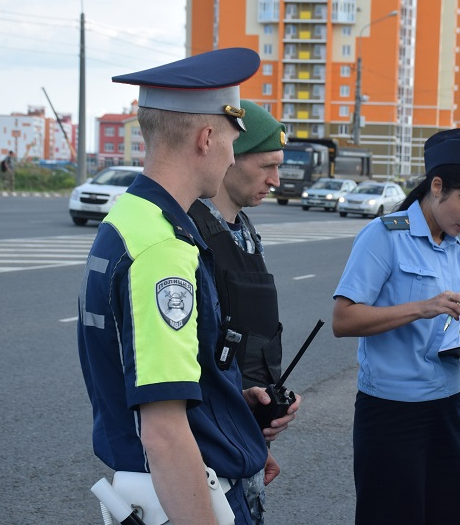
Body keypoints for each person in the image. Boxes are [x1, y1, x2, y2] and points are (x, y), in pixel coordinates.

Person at [77, 48, 297, 525]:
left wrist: (237, 433)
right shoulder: (162, 248)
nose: (231, 155)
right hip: (188, 492)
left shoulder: (132, 219)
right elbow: (164, 430)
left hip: (175, 481)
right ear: (207, 137)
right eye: (233, 141)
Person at [332, 128, 460, 525]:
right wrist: (420, 307)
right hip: (392, 413)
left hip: (446, 408)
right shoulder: (384, 236)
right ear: (438, 185)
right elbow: (344, 319)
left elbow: (446, 337)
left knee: (449, 515)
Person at [187, 100, 299, 524]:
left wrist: (263, 424)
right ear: (230, 155)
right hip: (206, 450)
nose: (276, 179)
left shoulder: (243, 230)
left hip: (241, 436)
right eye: (267, 165)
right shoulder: (191, 233)